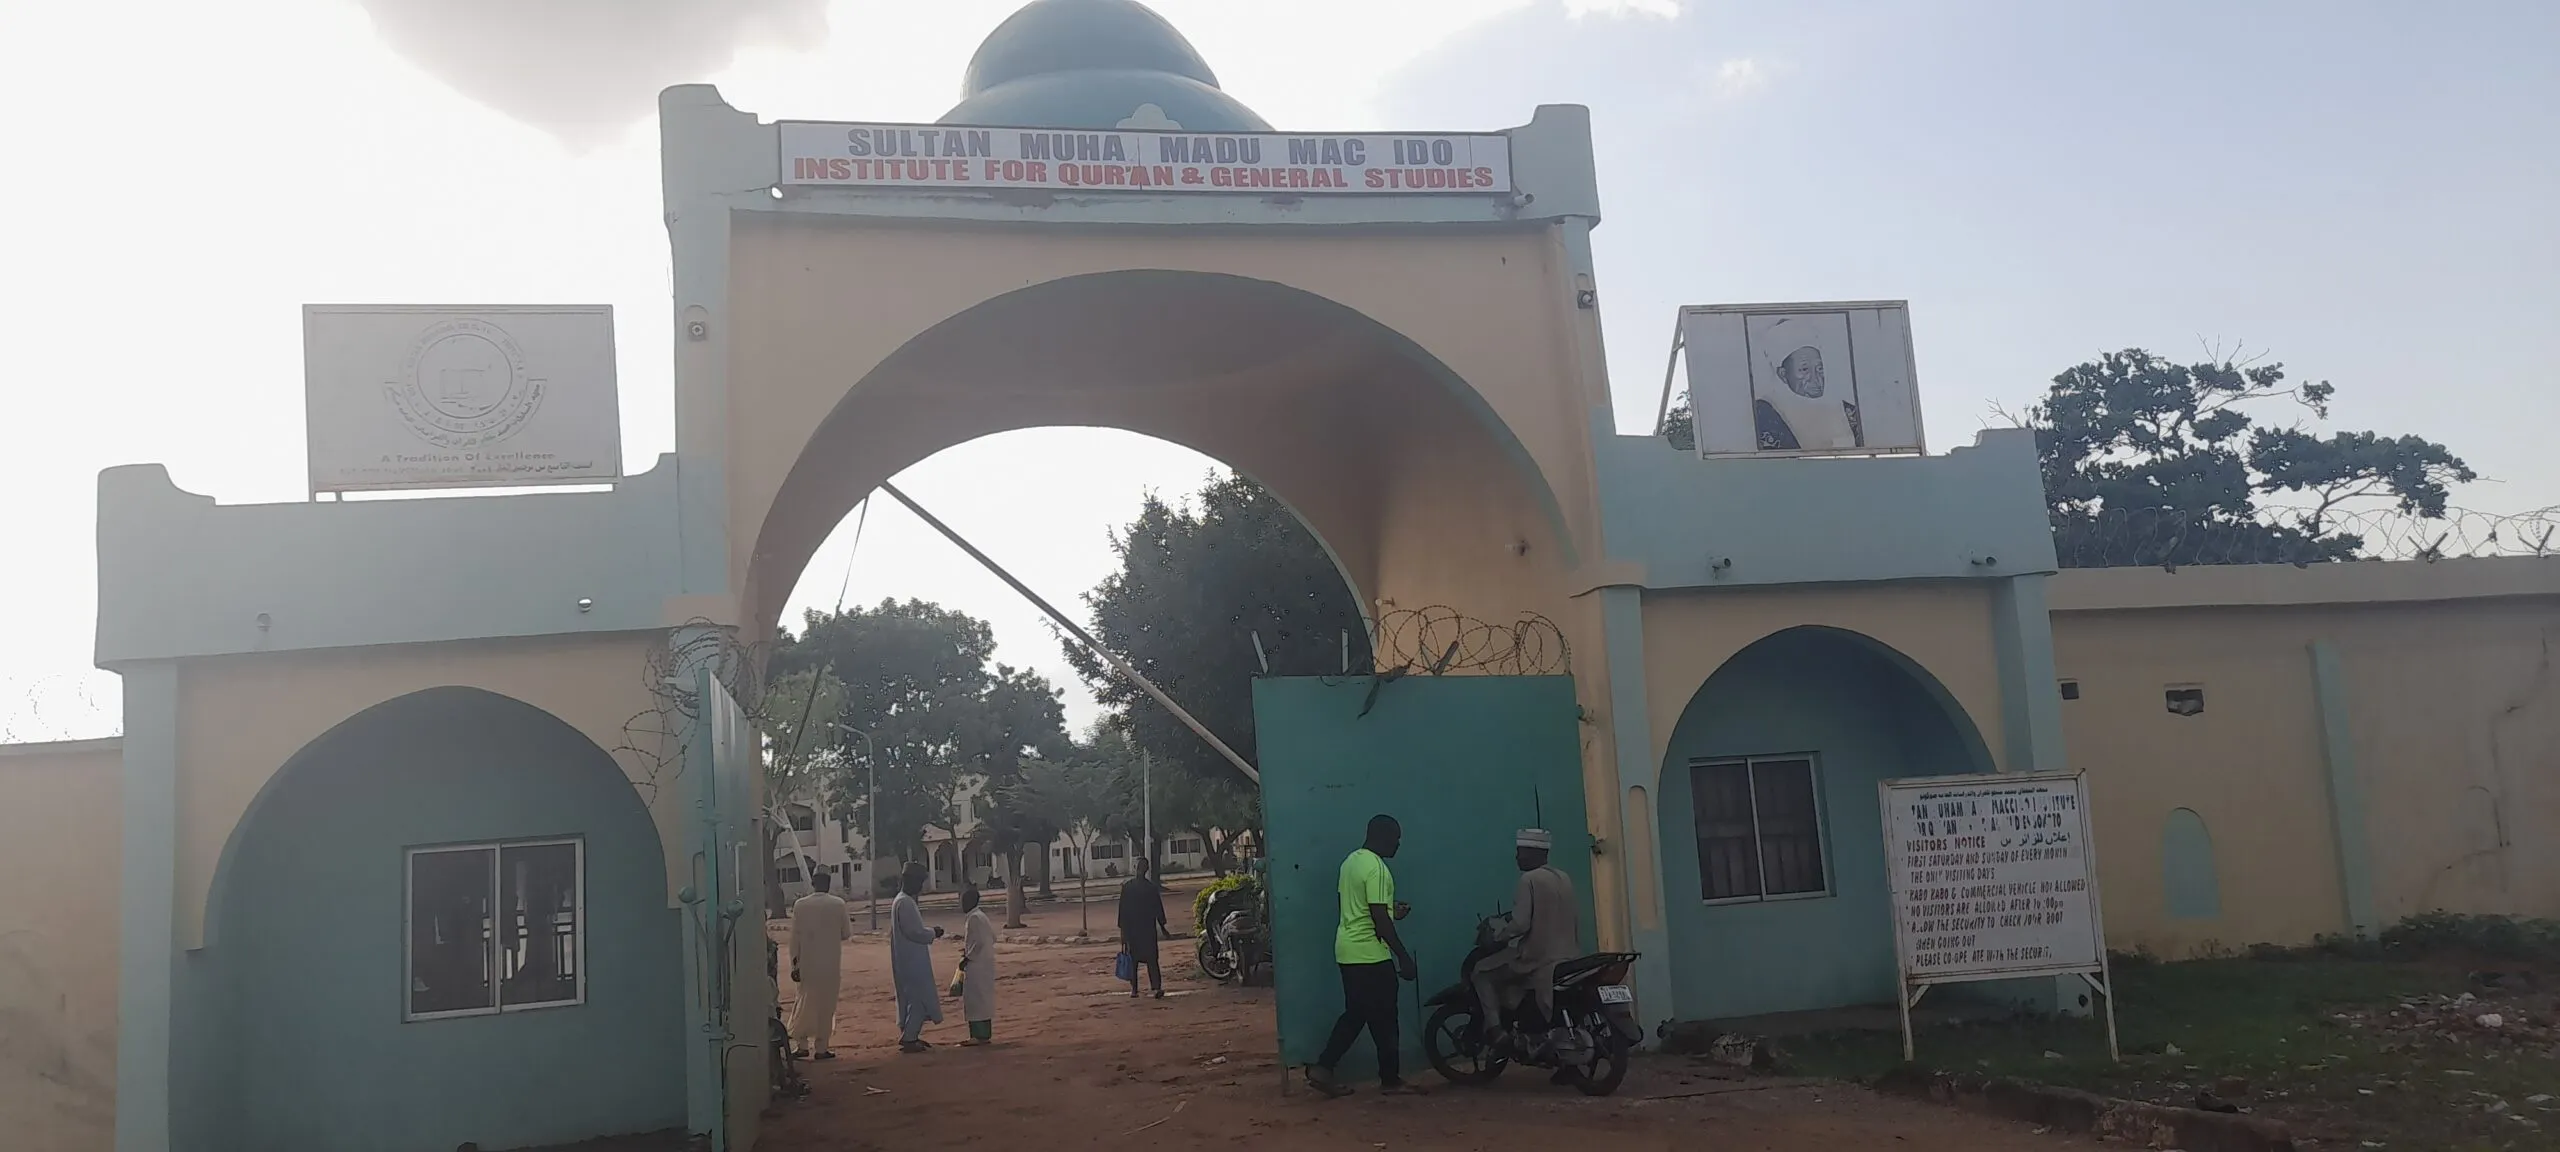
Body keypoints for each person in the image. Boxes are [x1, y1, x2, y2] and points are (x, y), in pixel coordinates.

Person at [1306, 814, 1423, 1098]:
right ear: (1382, 836)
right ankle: (1390, 1080)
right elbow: (1378, 919)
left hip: (1347, 949)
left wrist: (1393, 911)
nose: (1398, 844)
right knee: (1385, 1017)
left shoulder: (1351, 862)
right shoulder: (1377, 868)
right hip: (1370, 954)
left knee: (1358, 1013)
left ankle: (1324, 1068)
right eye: (1396, 837)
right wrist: (1403, 957)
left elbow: (1359, 908)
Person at [1471, 828, 1583, 1064]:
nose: (1517, 858)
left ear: (1533, 853)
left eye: (1520, 852)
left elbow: (1521, 923)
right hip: (1568, 955)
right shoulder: (1563, 877)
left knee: (1481, 971)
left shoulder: (1528, 879)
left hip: (1537, 957)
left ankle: (1495, 1031)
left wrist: (1499, 936)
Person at [786, 870, 852, 1060]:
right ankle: (822, 1048)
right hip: (830, 965)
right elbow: (846, 933)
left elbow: (794, 940)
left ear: (813, 884)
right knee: (826, 1006)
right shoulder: (838, 904)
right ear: (828, 884)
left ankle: (802, 1044)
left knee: (804, 1003)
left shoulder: (800, 905)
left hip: (807, 964)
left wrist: (794, 965)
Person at [890, 862, 946, 1053]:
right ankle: (909, 1037)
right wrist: (934, 933)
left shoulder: (902, 900)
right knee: (919, 999)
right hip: (911, 959)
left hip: (908, 957)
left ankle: (910, 1034)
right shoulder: (905, 902)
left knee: (912, 998)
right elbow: (914, 932)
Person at [1117, 856, 1171, 998]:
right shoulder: (1149, 887)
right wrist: (1163, 927)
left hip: (1137, 929)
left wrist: (1123, 933)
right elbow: (1158, 910)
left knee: (1139, 960)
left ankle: (1140, 989)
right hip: (1145, 929)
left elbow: (1123, 912)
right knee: (1149, 960)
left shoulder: (1130, 887)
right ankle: (1152, 987)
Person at [957, 886, 997, 1046]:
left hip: (976, 964)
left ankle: (977, 1035)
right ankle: (984, 1034)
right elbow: (992, 938)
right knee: (984, 999)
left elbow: (978, 942)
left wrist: (967, 957)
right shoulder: (981, 916)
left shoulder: (973, 918)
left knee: (975, 1000)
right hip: (986, 963)